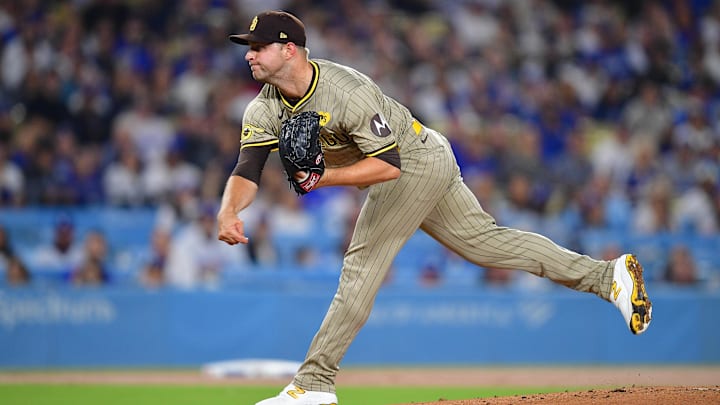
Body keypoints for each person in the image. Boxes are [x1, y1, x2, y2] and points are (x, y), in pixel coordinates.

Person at [216, 10, 653, 405]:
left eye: (257, 47)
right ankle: (605, 276)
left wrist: (323, 178)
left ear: (288, 49)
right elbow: (247, 168)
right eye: (248, 49)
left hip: (413, 160)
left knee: (361, 264)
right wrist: (229, 211)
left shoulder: (345, 91)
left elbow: (388, 166)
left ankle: (313, 384)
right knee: (486, 244)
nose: (249, 56)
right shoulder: (264, 108)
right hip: (427, 154)